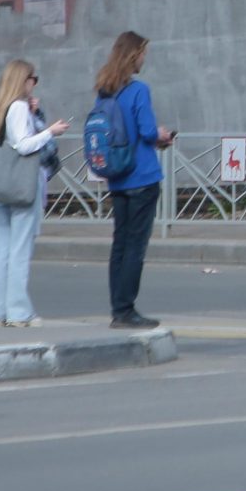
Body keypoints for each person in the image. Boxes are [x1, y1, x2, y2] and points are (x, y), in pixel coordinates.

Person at [94, 31, 175, 330]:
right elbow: (146, 131)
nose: (145, 59)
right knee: (135, 247)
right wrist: (162, 136)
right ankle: (127, 310)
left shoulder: (105, 89)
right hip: (141, 176)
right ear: (133, 55)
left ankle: (118, 308)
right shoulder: (139, 90)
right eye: (143, 53)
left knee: (120, 244)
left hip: (117, 177)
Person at [0, 60, 68, 327]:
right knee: (19, 250)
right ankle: (18, 311)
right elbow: (23, 146)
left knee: (4, 250)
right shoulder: (18, 107)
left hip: (4, 185)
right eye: (34, 78)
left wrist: (35, 115)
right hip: (22, 184)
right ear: (24, 80)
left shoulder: (3, 107)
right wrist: (49, 132)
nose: (35, 83)